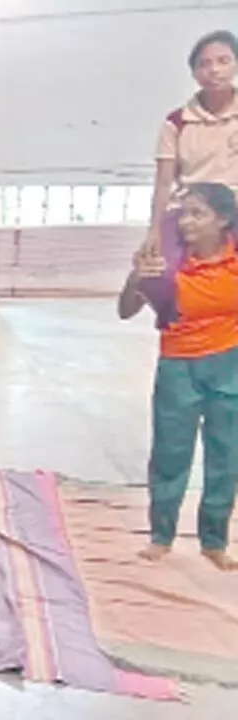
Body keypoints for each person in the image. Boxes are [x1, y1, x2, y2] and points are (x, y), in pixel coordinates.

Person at [118, 182, 238, 571]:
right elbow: (125, 311)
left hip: (230, 365)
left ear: (223, 220)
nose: (186, 221)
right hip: (178, 367)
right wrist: (137, 277)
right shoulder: (166, 261)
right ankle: (161, 536)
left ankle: (214, 541)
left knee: (226, 455)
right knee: (171, 454)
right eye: (183, 213)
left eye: (198, 213)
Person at [140, 30, 238, 327]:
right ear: (194, 72)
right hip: (191, 211)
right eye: (205, 64)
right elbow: (163, 183)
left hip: (233, 208)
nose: (215, 70)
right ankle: (174, 326)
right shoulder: (176, 122)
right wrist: (154, 231)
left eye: (223, 61)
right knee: (161, 275)